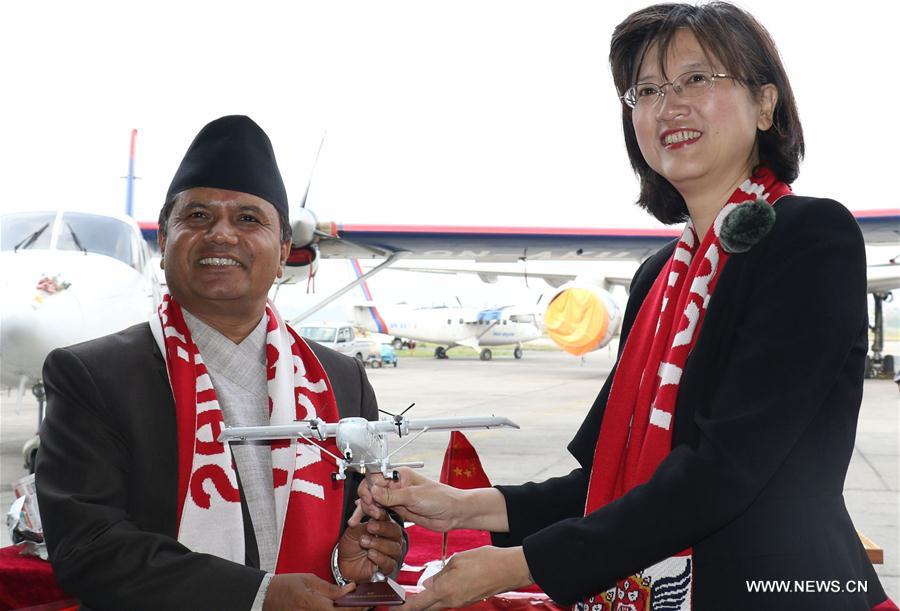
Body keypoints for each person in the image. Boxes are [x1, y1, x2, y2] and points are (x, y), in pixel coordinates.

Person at [356, 4, 895, 610]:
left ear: (765, 104)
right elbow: (606, 486)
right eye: (646, 90)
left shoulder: (808, 237)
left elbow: (723, 473)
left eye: (698, 78)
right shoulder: (658, 276)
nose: (671, 105)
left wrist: (514, 565)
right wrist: (464, 507)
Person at [35, 115, 404, 611]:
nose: (222, 235)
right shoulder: (93, 376)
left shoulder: (342, 378)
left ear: (282, 254)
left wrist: (359, 554)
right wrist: (256, 596)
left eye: (249, 219)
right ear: (164, 243)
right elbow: (89, 546)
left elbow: (368, 510)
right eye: (199, 217)